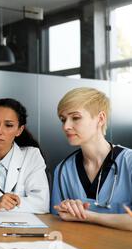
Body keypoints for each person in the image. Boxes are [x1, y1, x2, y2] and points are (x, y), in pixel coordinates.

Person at [51, 87, 132, 228]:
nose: (66, 126)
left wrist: (88, 216)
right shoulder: (63, 169)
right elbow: (56, 220)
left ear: (100, 119)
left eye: (75, 118)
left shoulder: (129, 162)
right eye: (63, 120)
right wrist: (66, 208)